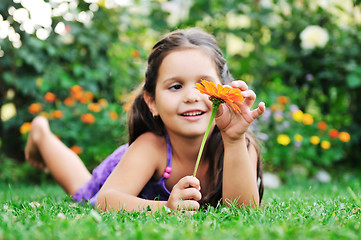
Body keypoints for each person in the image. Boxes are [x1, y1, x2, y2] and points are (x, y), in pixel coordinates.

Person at [25, 28, 266, 212]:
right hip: (120, 173)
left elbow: (242, 212)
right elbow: (106, 199)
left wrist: (233, 140)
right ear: (152, 101)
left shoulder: (240, 145)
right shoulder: (152, 146)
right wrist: (166, 208)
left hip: (229, 142)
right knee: (81, 189)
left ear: (222, 90)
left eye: (203, 85)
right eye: (175, 86)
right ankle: (41, 134)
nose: (192, 96)